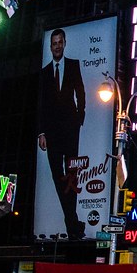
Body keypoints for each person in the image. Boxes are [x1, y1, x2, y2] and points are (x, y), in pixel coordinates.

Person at [38, 28, 86, 239]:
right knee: (58, 175)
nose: (57, 46)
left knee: (72, 175)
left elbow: (81, 91)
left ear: (64, 43)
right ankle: (73, 222)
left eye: (60, 42)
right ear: (50, 46)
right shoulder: (44, 72)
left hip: (70, 128)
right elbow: (40, 104)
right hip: (51, 131)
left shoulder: (74, 65)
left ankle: (72, 224)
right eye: (54, 43)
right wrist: (41, 132)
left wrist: (80, 117)